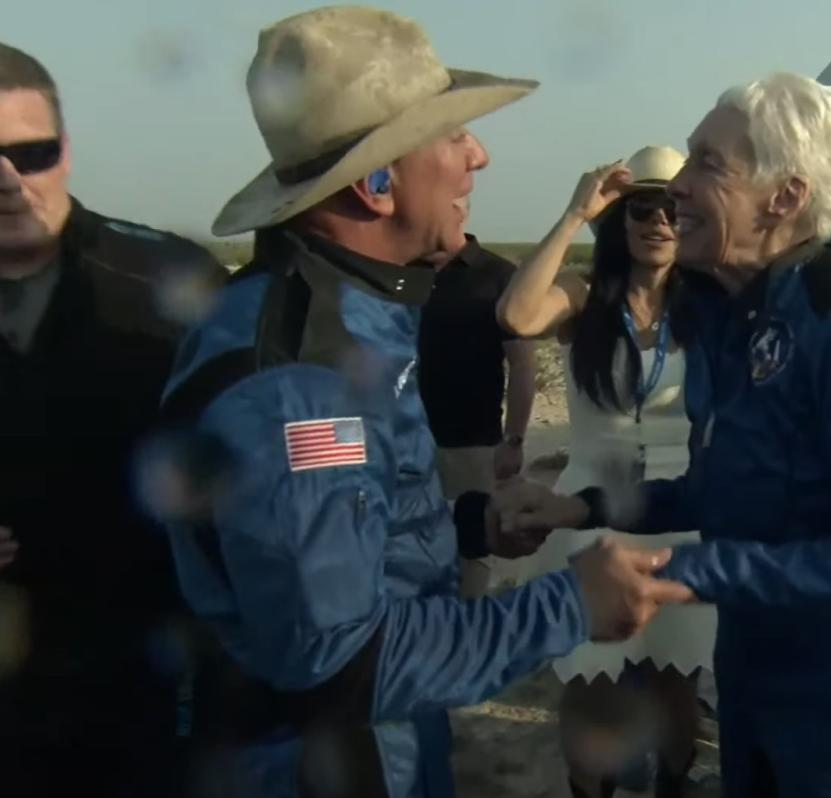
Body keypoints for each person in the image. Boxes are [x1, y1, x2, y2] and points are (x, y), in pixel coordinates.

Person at [154, 8, 692, 798]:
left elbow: (356, 535)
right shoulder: (305, 385)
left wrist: (473, 524)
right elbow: (338, 662)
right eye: (451, 138)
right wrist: (566, 605)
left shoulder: (358, 313)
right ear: (376, 184)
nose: (479, 155)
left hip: (389, 742)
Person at [497, 72, 831, 797]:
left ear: (785, 196)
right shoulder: (730, 314)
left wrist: (679, 574)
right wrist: (583, 509)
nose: (676, 188)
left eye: (706, 163)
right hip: (755, 654)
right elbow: (726, 488)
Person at [0, 37, 224, 798]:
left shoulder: (172, 282)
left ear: (66, 148)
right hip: (7, 692)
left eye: (33, 151)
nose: (8, 180)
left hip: (174, 680)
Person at [496, 145, 717, 798]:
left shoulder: (707, 306)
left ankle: (675, 785)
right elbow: (516, 314)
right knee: (595, 683)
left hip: (681, 519)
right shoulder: (587, 297)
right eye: (641, 208)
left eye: (673, 207)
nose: (658, 222)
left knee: (678, 682)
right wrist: (573, 215)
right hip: (589, 520)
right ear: (619, 221)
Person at [417, 233, 537, 598]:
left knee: (470, 554)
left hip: (472, 446)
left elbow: (522, 365)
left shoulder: (497, 275)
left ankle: (466, 642)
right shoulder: (399, 270)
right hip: (402, 444)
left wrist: (513, 439)